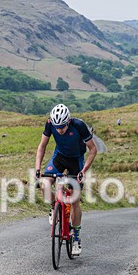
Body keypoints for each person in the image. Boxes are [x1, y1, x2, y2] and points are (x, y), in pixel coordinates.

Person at [34, 104, 98, 256]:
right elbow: (42, 146)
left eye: (62, 127)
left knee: (74, 200)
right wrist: (37, 168)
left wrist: (83, 171)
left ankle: (76, 238)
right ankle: (53, 209)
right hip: (59, 157)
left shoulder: (79, 125)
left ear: (68, 122)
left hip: (76, 161)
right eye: (57, 127)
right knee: (45, 184)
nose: (59, 130)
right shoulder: (50, 123)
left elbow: (93, 150)